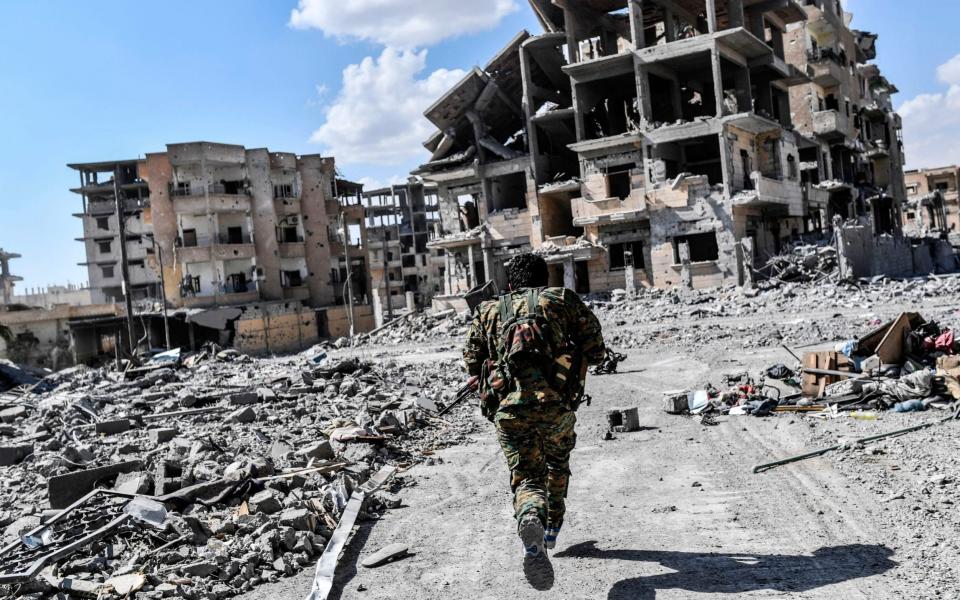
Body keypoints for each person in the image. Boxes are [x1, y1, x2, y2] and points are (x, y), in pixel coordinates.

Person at [463, 253, 605, 582]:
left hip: (509, 411)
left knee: (527, 478)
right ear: (546, 279)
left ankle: (532, 525)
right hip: (555, 406)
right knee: (556, 466)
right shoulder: (561, 300)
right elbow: (597, 352)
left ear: (510, 284)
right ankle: (552, 528)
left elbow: (473, 362)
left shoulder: (488, 309)